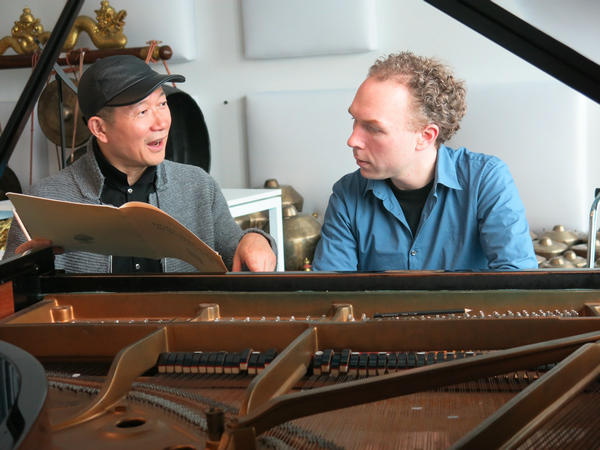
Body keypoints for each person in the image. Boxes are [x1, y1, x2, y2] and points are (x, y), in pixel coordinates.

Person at [4, 55, 276, 273]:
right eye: (143, 111)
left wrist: (256, 239)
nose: (161, 122)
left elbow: (237, 254)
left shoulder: (198, 186)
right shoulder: (44, 199)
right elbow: (12, 298)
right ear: (99, 129)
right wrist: (30, 268)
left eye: (162, 104)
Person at [312, 51, 537, 271]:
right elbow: (329, 289)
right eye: (355, 119)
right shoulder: (346, 194)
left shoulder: (486, 179)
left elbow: (519, 282)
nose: (352, 140)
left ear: (426, 136)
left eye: (374, 128)